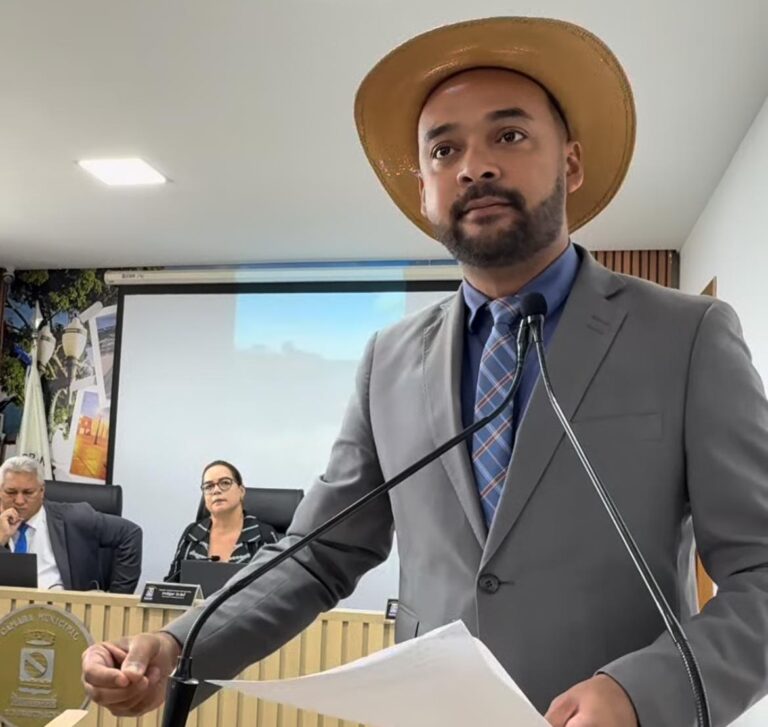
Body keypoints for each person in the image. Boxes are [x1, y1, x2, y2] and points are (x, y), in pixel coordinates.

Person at [81, 17, 768, 726]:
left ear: (570, 164)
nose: (474, 167)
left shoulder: (686, 336)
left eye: (509, 135)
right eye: (444, 150)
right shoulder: (388, 360)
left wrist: (645, 693)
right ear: (424, 192)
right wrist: (177, 644)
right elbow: (318, 556)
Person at [0, 455, 142, 592]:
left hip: (61, 605)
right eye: (11, 492)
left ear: (42, 491)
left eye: (28, 493)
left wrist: (115, 599)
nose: (19, 501)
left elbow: (130, 533)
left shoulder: (74, 518)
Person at [164, 460, 279, 582]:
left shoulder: (263, 535)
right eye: (208, 486)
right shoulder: (192, 533)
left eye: (225, 483)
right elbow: (171, 584)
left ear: (241, 491)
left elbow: (277, 585)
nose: (216, 490)